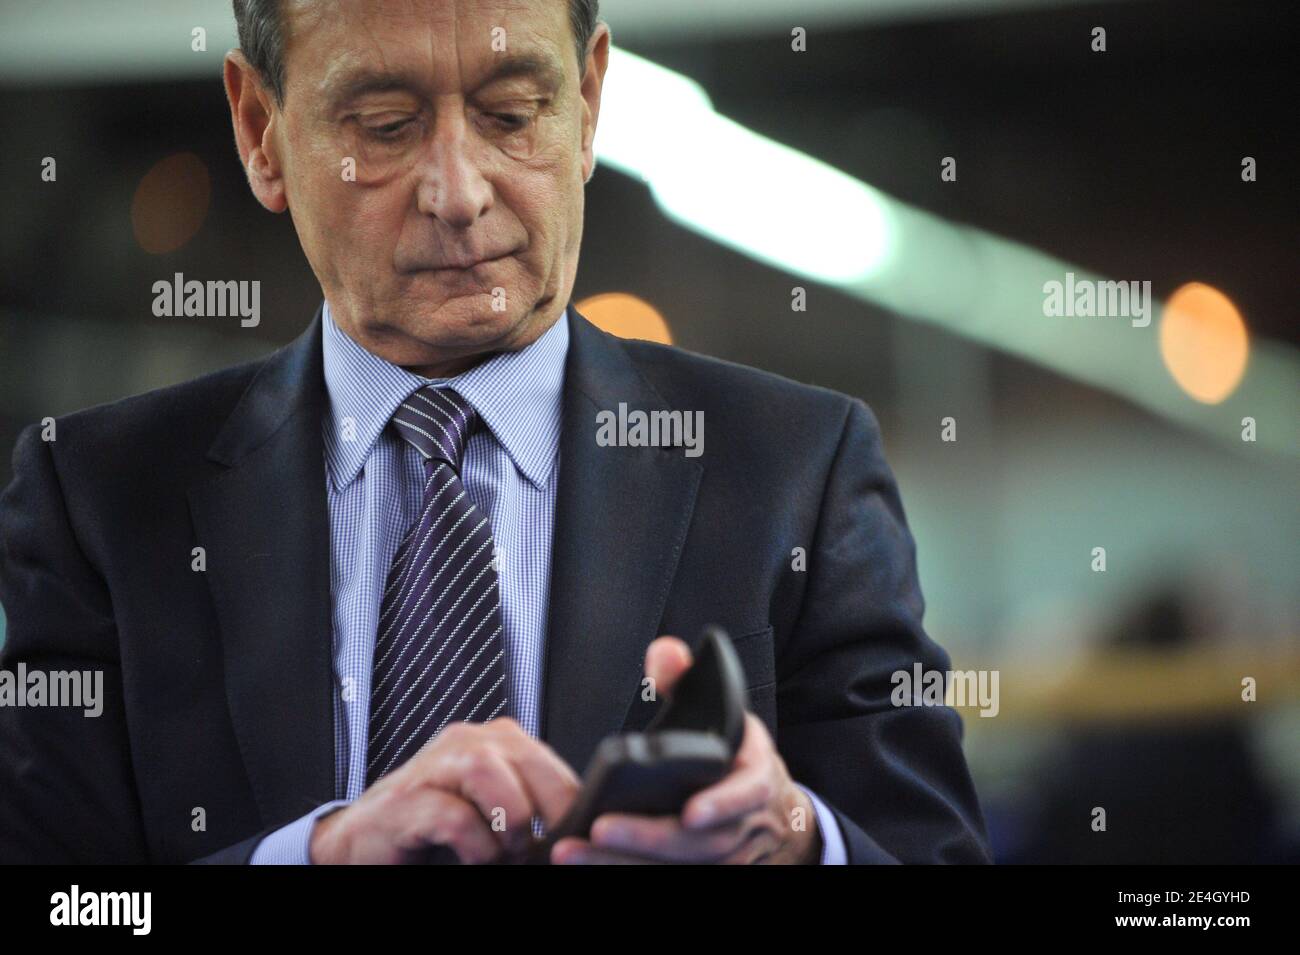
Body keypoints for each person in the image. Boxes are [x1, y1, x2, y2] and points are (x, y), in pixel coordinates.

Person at [0, 0, 990, 864]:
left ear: (590, 99)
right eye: (385, 127)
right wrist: (317, 856)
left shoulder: (795, 468)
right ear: (261, 129)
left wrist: (788, 835)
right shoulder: (94, 495)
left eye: (513, 116)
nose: (459, 193)